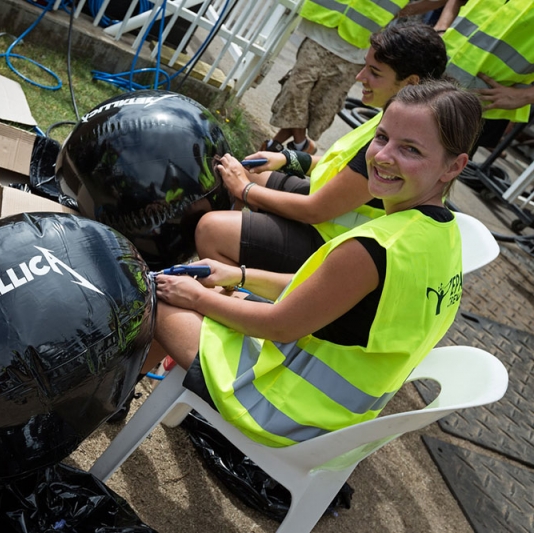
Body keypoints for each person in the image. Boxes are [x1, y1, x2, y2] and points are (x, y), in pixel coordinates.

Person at [140, 80, 480, 447]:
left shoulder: (373, 247)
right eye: (381, 138)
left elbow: (280, 326)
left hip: (285, 406)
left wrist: (196, 298)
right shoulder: (444, 236)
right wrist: (238, 275)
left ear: (453, 166)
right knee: (212, 293)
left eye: (410, 150)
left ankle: (106, 399)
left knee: (158, 295)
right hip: (339, 414)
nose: (382, 156)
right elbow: (322, 297)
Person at [195, 22, 447, 273]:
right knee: (247, 170)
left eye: (375, 72)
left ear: (411, 83)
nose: (360, 78)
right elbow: (344, 164)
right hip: (327, 215)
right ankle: (245, 253)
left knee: (210, 229)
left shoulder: (395, 143)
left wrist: (244, 189)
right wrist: (286, 158)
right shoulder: (397, 116)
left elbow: (315, 211)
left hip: (334, 245)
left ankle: (244, 296)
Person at [263, 0, 444, 154]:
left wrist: (394, 13)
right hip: (323, 25)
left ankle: (278, 144)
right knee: (296, 88)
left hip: (358, 43)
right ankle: (301, 144)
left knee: (320, 103)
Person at [433, 0, 534, 151]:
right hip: (435, 68)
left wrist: (525, 96)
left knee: (437, 165)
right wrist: (440, 29)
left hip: (482, 103)